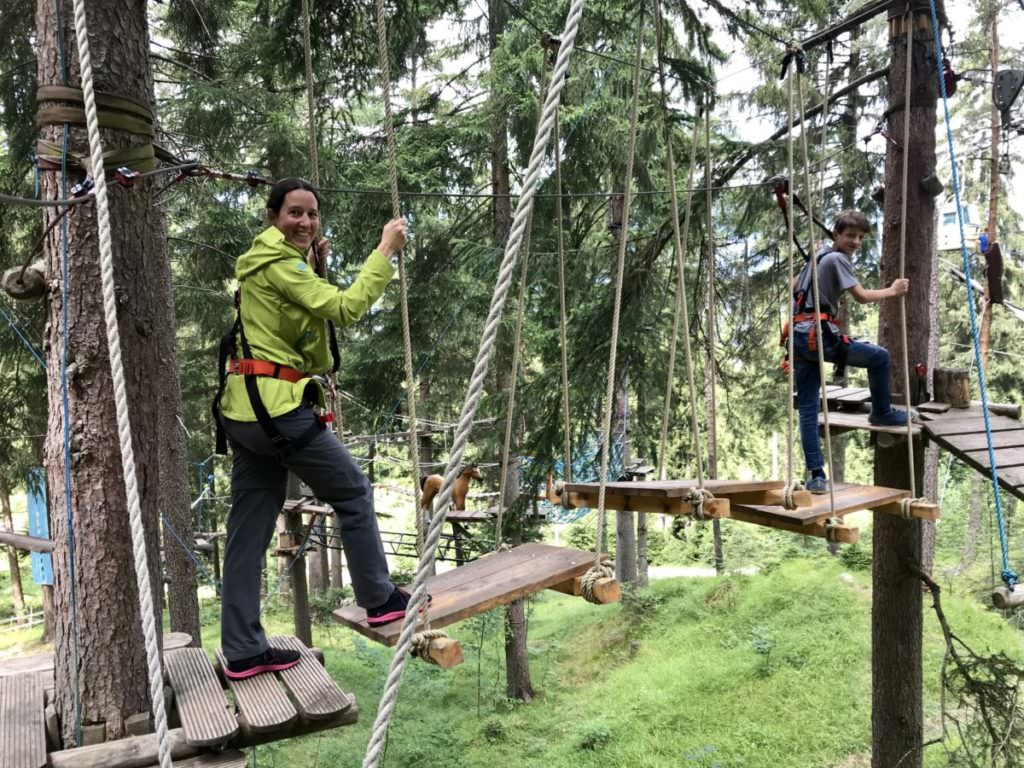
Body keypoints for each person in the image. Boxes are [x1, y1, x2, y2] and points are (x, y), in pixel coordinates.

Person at [213, 177, 414, 679]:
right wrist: (385, 252)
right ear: (272, 217)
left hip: (246, 411)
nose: (303, 222)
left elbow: (303, 336)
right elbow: (344, 309)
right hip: (277, 409)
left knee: (248, 529)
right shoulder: (280, 264)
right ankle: (379, 598)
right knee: (352, 492)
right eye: (294, 213)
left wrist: (314, 266)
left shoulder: (270, 263)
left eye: (311, 215)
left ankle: (242, 650)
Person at [790, 209, 916, 495]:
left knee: (809, 408)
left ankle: (816, 475)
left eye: (860, 237)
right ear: (836, 235)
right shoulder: (836, 259)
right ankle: (882, 413)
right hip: (819, 335)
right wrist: (893, 291)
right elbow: (861, 297)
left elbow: (795, 287)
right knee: (880, 357)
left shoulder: (818, 256)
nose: (856, 242)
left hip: (799, 336)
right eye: (850, 236)